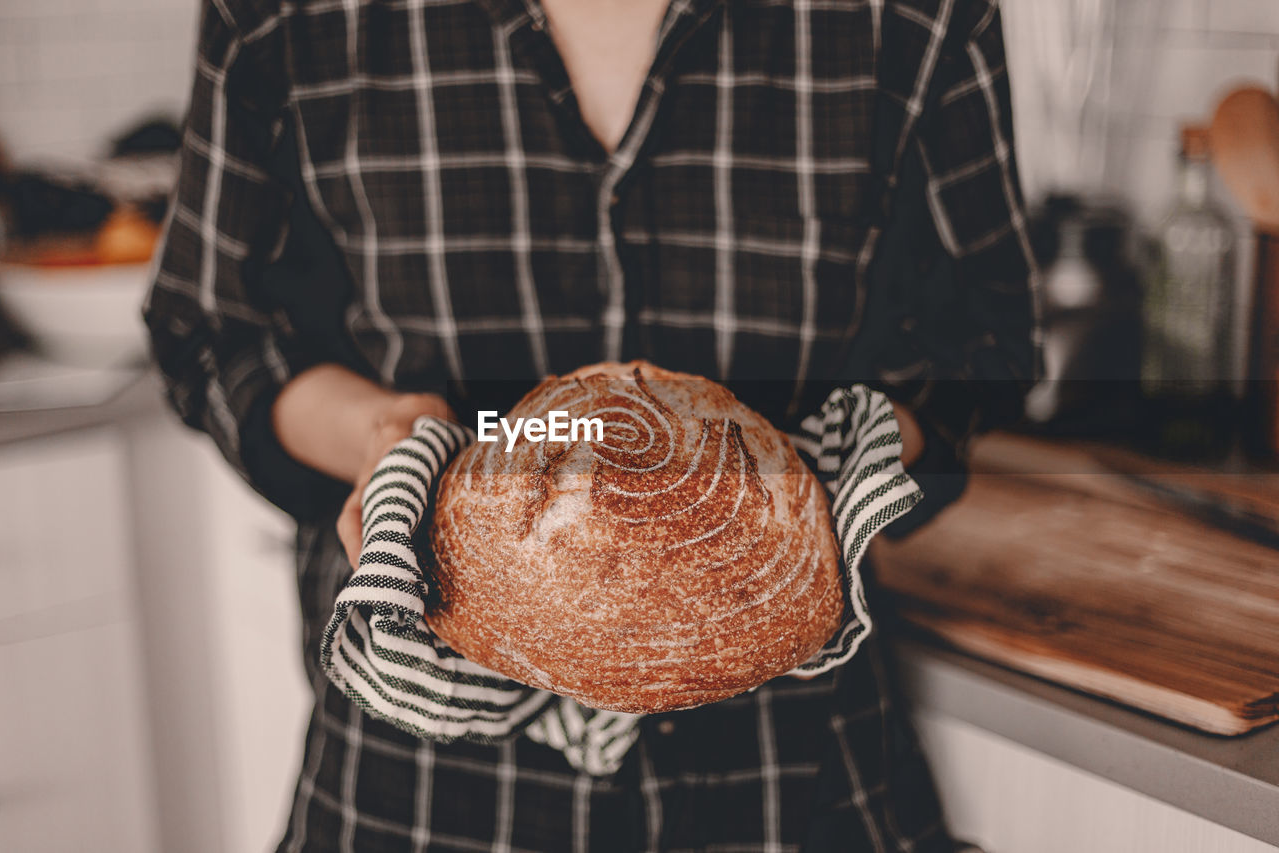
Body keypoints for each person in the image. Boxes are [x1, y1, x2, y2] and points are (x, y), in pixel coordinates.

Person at [144, 0, 1037, 849]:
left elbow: (986, 343)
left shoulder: (909, 16)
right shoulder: (286, 18)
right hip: (418, 793)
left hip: (796, 782)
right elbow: (213, 329)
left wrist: (822, 484)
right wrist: (387, 433)